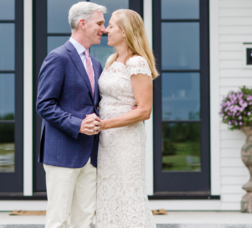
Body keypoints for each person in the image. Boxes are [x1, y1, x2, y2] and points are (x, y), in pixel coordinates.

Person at [36, 2, 106, 228]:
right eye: (99, 23)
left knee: (85, 219)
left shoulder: (96, 64)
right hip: (62, 153)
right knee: (58, 219)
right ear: (82, 23)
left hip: (91, 155)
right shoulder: (58, 57)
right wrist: (78, 124)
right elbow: (44, 105)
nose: (103, 29)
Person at [93, 9, 159, 228]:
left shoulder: (137, 62)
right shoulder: (112, 60)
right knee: (109, 193)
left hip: (126, 140)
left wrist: (105, 124)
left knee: (128, 193)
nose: (105, 30)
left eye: (111, 26)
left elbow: (144, 110)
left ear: (125, 31)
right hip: (107, 141)